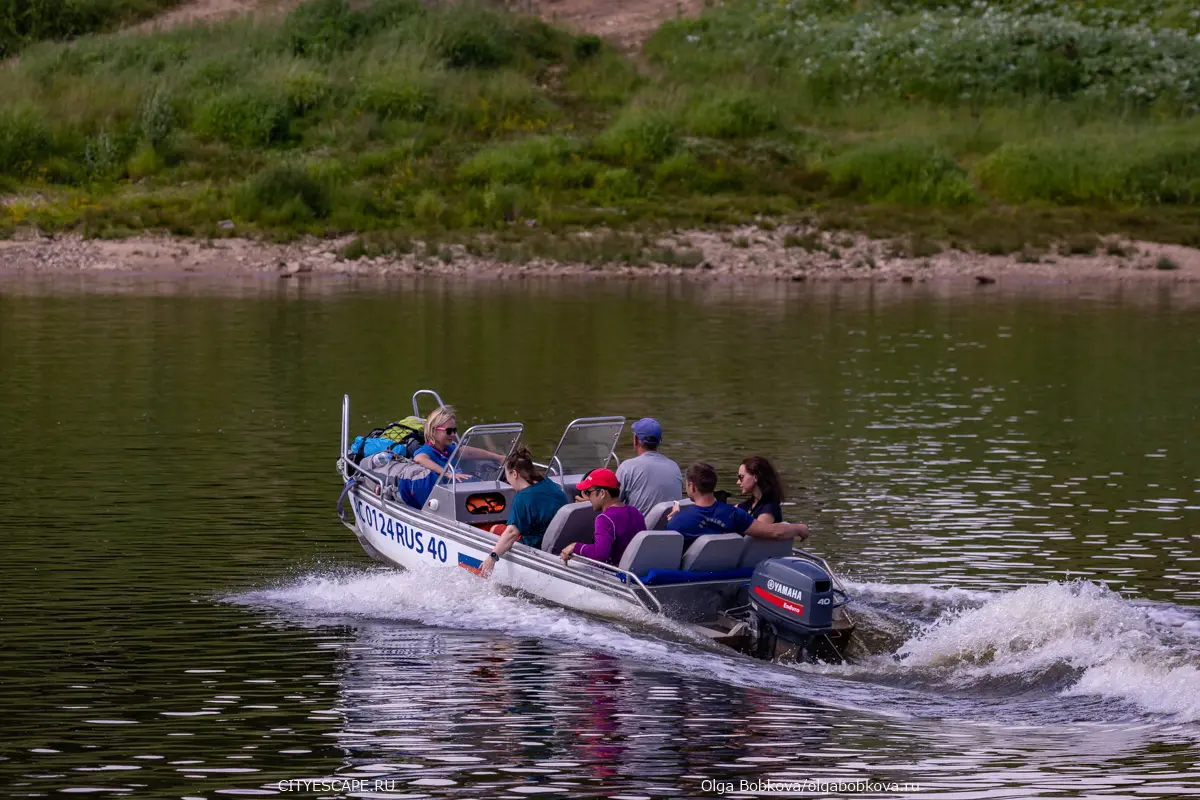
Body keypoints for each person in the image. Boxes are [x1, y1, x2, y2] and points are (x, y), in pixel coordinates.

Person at [668, 462, 808, 550]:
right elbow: (774, 531)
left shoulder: (678, 521)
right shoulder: (734, 514)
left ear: (692, 486)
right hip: (729, 572)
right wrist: (797, 528)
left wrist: (675, 518)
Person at [478, 447, 568, 578]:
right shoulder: (549, 483)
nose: (508, 481)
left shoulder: (522, 498)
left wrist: (492, 558)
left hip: (536, 546)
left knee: (492, 529)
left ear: (514, 474)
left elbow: (512, 533)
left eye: (507, 476)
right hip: (558, 541)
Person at [560, 469, 646, 567]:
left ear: (602, 493)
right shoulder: (635, 512)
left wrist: (575, 547)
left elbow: (600, 553)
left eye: (588, 492)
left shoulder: (604, 519)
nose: (588, 498)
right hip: (629, 570)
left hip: (610, 574)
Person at [614, 418, 683, 518]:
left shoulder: (627, 467)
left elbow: (612, 504)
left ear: (636, 440)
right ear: (660, 441)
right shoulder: (674, 467)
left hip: (639, 532)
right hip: (670, 530)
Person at [412, 406, 501, 480]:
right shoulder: (427, 451)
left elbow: (468, 452)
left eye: (454, 430)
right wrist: (447, 474)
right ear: (433, 430)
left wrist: (498, 457)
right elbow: (419, 459)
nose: (453, 434)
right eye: (449, 431)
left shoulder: (449, 449)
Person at [736, 456, 785, 524]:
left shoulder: (769, 508)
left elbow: (758, 531)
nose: (738, 482)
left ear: (755, 477)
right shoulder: (745, 505)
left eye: (741, 477)